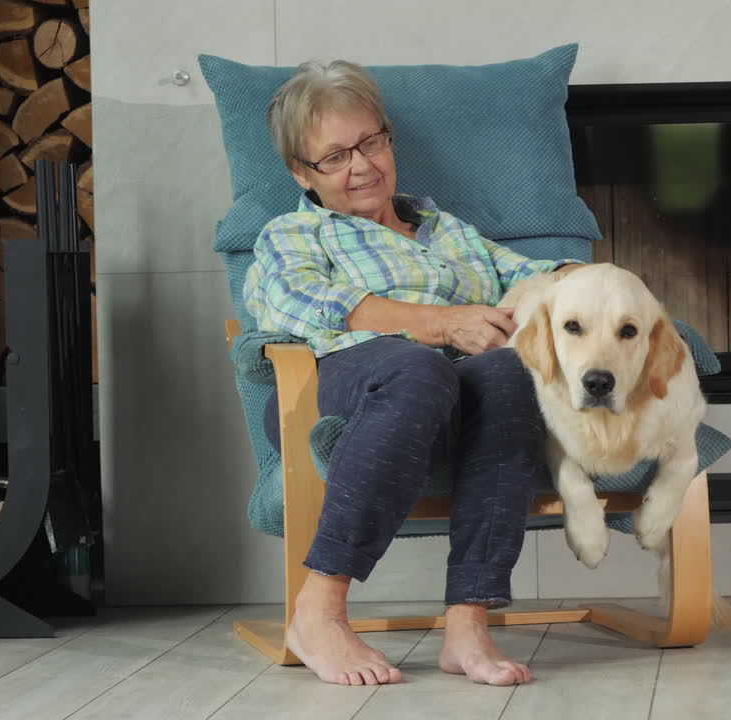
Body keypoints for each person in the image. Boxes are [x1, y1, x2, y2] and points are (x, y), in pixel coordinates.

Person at [244, 60, 583, 687]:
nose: (362, 165)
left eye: (371, 142)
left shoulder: (448, 232)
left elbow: (531, 275)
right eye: (335, 156)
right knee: (418, 367)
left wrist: (585, 285)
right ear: (301, 172)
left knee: (509, 373)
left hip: (456, 398)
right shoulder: (293, 233)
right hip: (335, 387)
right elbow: (310, 305)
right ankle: (318, 613)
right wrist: (443, 323)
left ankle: (467, 624)